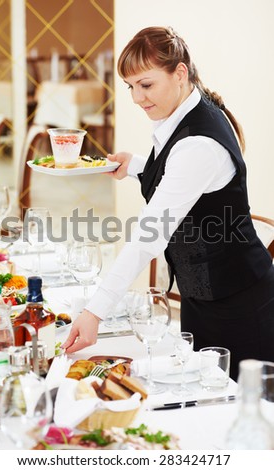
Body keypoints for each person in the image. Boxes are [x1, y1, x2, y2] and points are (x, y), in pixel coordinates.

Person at [63, 26, 274, 381]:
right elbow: (184, 178)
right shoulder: (183, 115)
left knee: (236, 415)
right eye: (131, 87)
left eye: (146, 85)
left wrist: (94, 312)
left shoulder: (198, 144)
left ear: (180, 74)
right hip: (199, 300)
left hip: (240, 308)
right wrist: (138, 166)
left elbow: (149, 235)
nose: (136, 97)